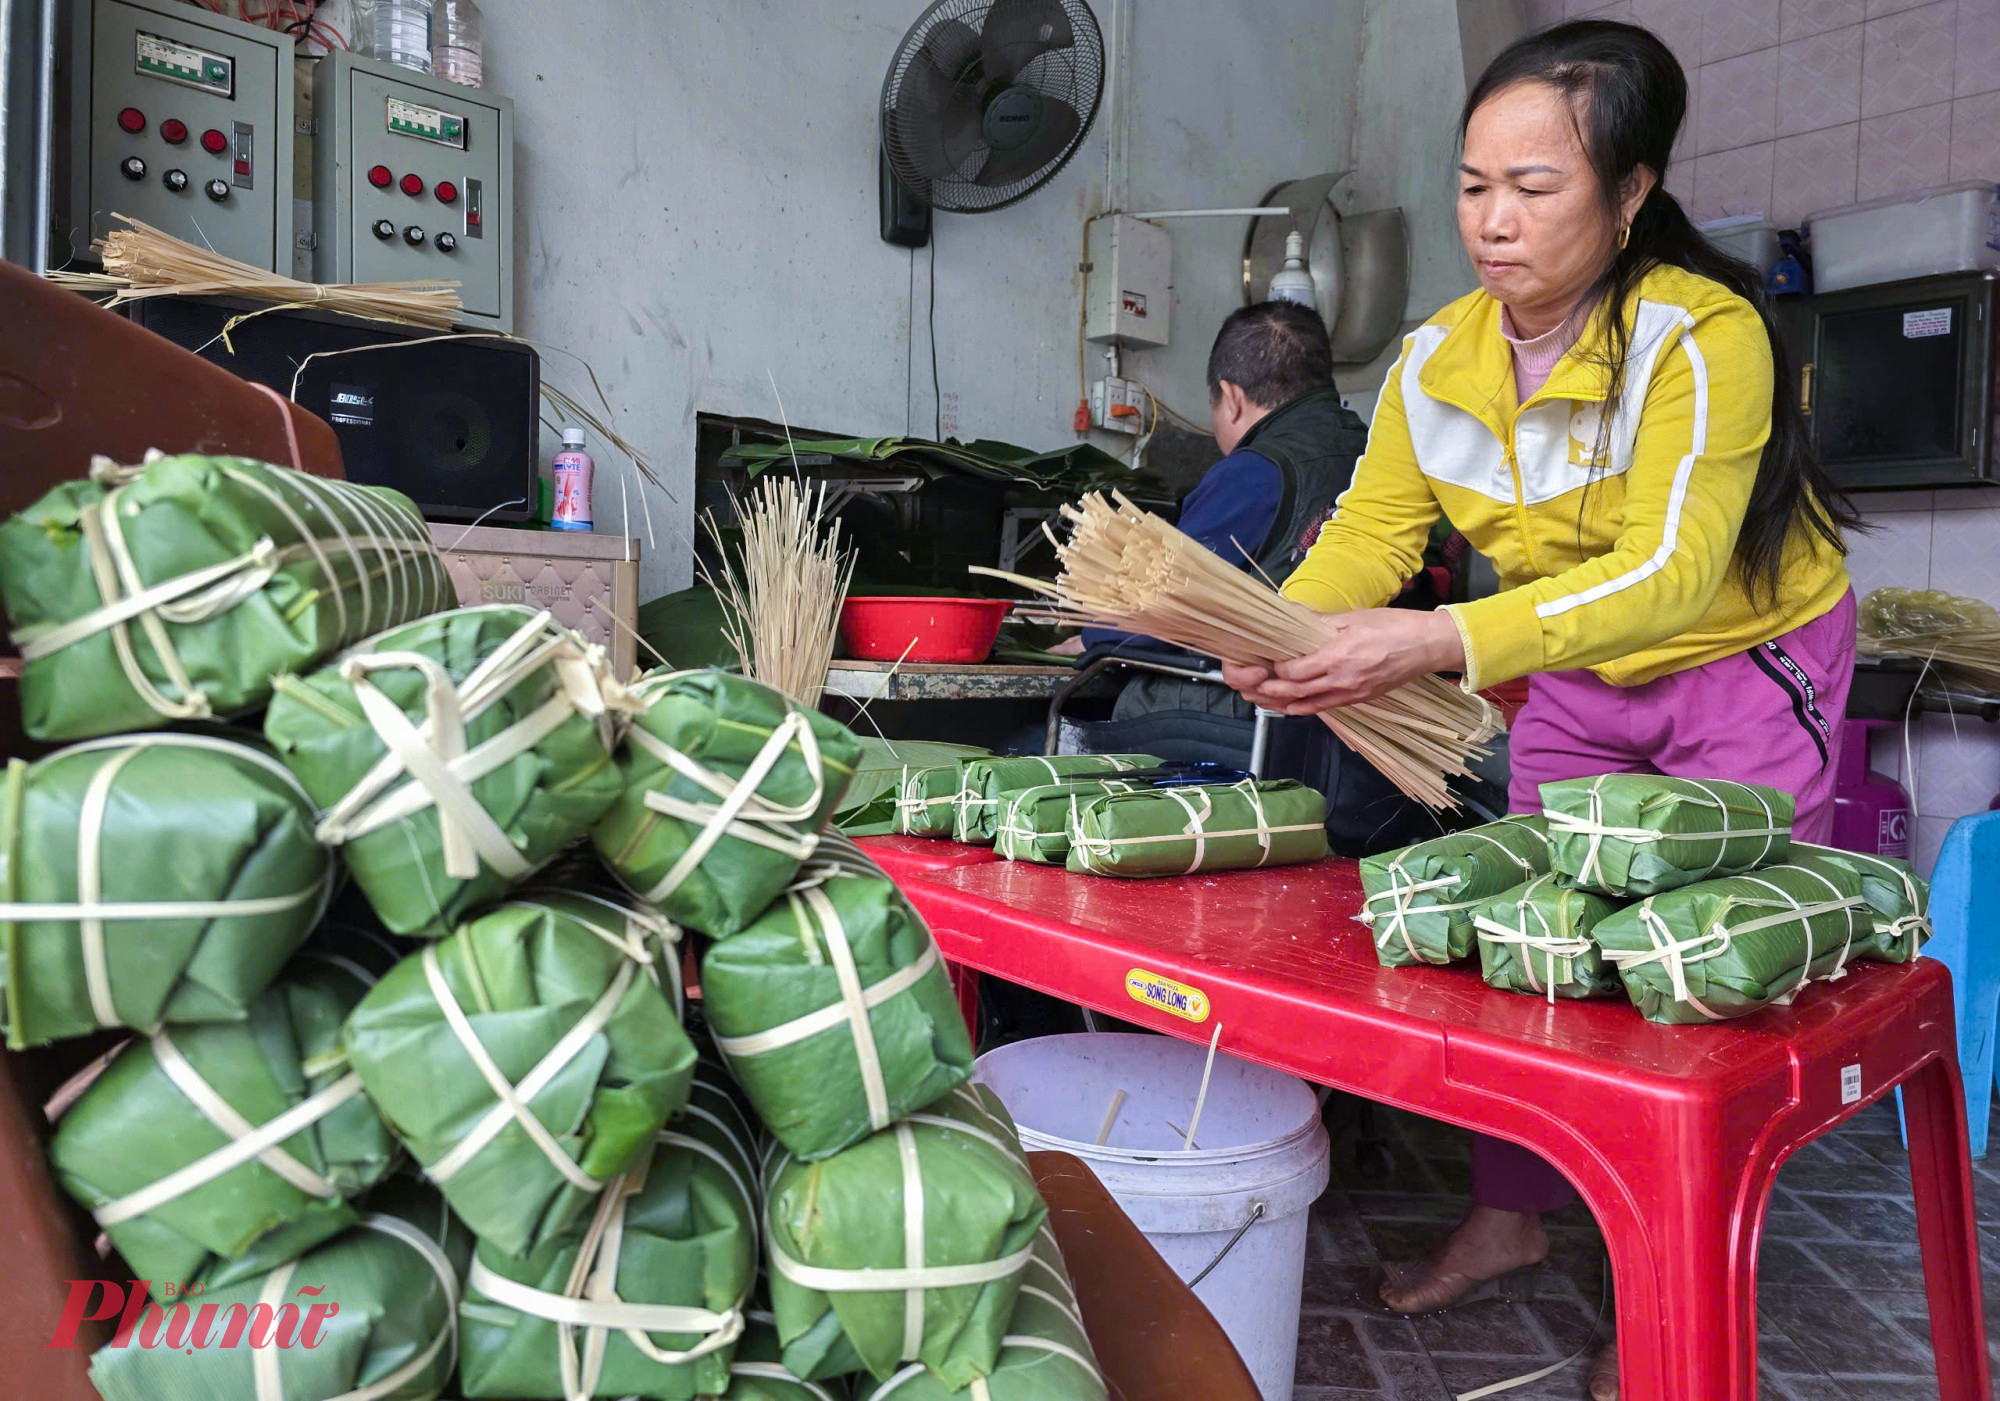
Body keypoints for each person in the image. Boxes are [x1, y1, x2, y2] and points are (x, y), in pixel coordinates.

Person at [1222, 20, 1861, 1400]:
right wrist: (1279, 630)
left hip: (1740, 661)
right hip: (1568, 664)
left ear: (1631, 195)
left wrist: (1439, 639)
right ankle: (1513, 1212)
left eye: (1537, 187)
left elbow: (1676, 570)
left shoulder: (1702, 333)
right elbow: (1370, 533)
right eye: (1472, 186)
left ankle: (1685, 1269)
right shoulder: (1437, 359)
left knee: (1709, 963)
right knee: (1540, 943)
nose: (1493, 223)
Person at [1057, 299, 1370, 720]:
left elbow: (1161, 611)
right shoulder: (1374, 452)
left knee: (1033, 739)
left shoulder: (1253, 473)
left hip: (1253, 712)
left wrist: (1093, 633)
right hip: (1356, 704)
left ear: (1231, 397)